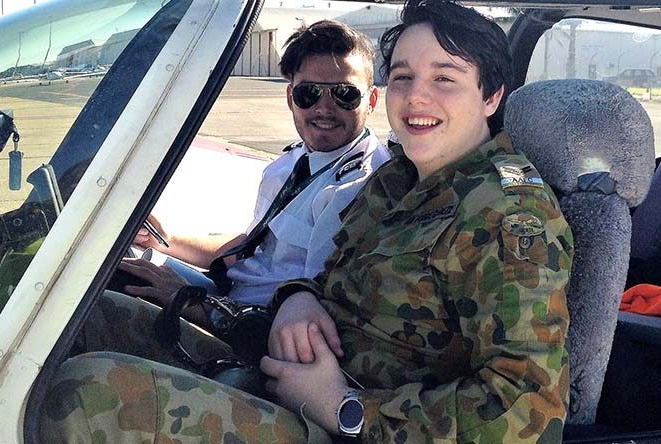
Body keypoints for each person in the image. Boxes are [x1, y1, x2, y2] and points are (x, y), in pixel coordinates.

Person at [41, 0, 574, 442]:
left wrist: (345, 408)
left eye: (446, 78)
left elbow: (531, 409)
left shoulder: (509, 214)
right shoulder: (403, 181)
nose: (417, 96)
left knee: (89, 394)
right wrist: (301, 295)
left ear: (492, 96)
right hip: (286, 373)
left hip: (349, 425)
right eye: (405, 75)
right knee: (78, 317)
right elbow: (327, 275)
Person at [77, 19, 390, 367]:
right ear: (291, 98)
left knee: (95, 310)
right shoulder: (293, 163)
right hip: (223, 297)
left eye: (344, 94)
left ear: (372, 99)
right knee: (109, 265)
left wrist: (187, 300)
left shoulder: (358, 190)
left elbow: (309, 321)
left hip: (247, 336)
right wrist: (165, 240)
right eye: (308, 94)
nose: (324, 108)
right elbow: (251, 249)